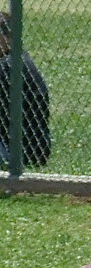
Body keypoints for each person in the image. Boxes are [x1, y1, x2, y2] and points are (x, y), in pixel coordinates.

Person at [0, 10, 52, 169]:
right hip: (34, 147)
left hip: (19, 150)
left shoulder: (8, 67)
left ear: (7, 38)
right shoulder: (17, 59)